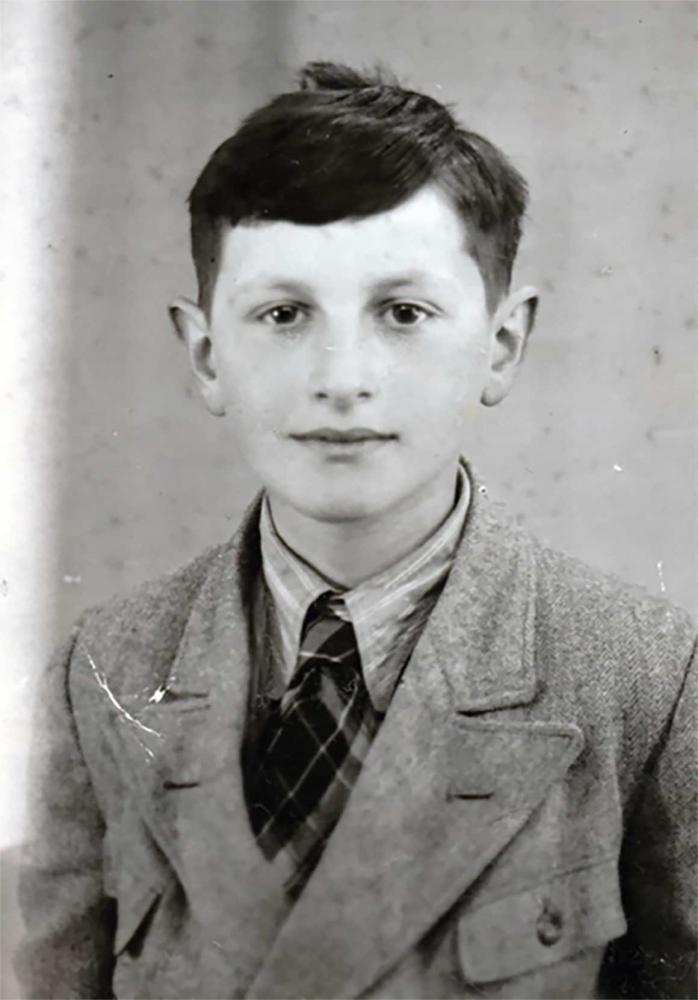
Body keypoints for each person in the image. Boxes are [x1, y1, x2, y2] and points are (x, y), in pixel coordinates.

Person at [16, 62, 696, 1000]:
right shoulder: (108, 668)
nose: (342, 376)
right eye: (284, 314)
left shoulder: (644, 676)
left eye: (403, 313)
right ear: (206, 354)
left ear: (501, 343)